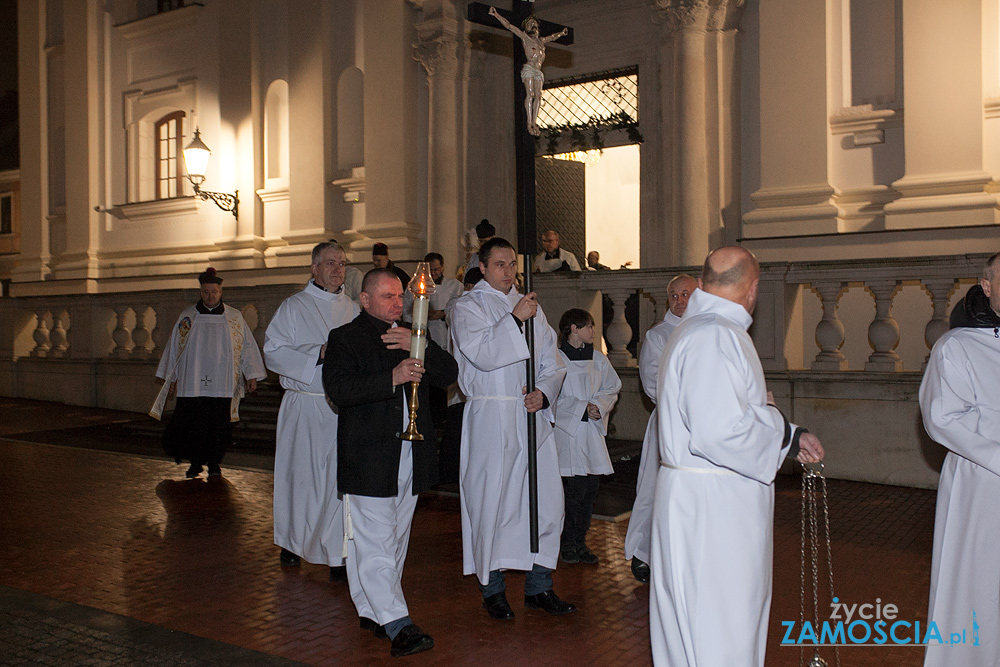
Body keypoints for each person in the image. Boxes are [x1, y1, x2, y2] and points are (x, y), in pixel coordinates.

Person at [649, 246, 824, 667]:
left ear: (704, 281)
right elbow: (718, 433)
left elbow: (728, 414)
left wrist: (782, 432)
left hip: (703, 497)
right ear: (753, 289)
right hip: (714, 507)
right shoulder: (715, 335)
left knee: (702, 624)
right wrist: (778, 428)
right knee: (719, 625)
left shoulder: (701, 328)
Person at [323, 268, 458, 658]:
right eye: (387, 296)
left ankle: (372, 609)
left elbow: (450, 374)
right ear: (365, 300)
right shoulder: (345, 338)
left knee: (394, 538)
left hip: (409, 454)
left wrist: (422, 349)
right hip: (368, 455)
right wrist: (393, 376)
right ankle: (399, 624)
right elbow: (339, 390)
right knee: (377, 539)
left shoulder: (413, 336)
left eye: (401, 297)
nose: (397, 304)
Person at [450, 237, 574, 621]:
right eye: (500, 265)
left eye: (512, 265)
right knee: (493, 502)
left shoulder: (532, 308)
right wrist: (515, 318)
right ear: (483, 268)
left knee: (545, 504)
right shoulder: (467, 306)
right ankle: (493, 590)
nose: (509, 272)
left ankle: (539, 587)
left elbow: (554, 361)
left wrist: (544, 391)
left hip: (530, 417)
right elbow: (484, 355)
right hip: (492, 417)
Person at [920, 251, 1000, 667]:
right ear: (986, 287)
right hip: (983, 485)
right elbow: (941, 418)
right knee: (978, 586)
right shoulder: (956, 346)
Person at [263, 241, 359, 576]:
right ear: (314, 268)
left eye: (342, 263)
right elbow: (273, 351)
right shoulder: (294, 307)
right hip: (305, 407)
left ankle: (337, 553)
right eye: (330, 262)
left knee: (338, 482)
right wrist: (317, 352)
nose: (337, 269)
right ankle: (292, 542)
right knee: (300, 480)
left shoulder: (354, 310)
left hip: (340, 410)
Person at [151, 267, 266, 479]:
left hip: (222, 383)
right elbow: (175, 348)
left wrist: (251, 374)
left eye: (214, 291)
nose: (210, 296)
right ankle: (195, 463)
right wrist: (172, 379)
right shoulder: (187, 316)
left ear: (220, 292)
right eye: (206, 292)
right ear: (200, 292)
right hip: (192, 381)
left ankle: (214, 464)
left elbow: (247, 347)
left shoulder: (234, 317)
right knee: (193, 425)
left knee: (219, 426)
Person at [624, 273, 697, 583]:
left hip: (704, 428)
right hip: (670, 421)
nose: (680, 301)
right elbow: (654, 383)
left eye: (686, 295)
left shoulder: (710, 329)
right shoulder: (658, 336)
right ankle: (644, 553)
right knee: (656, 489)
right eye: (674, 296)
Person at [553, 308, 621, 565]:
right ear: (573, 328)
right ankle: (566, 542)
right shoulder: (557, 359)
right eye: (589, 326)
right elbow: (551, 394)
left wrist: (598, 406)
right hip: (568, 434)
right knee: (572, 493)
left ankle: (580, 541)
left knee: (590, 491)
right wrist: (581, 408)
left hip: (591, 433)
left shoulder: (598, 359)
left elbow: (612, 387)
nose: (593, 331)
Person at [487, 7, 567, 136]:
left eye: (534, 24)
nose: (533, 25)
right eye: (530, 24)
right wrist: (496, 15)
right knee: (530, 94)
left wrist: (562, 33)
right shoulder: (525, 38)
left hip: (538, 70)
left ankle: (534, 122)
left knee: (538, 96)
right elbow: (509, 26)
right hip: (529, 67)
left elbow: (552, 37)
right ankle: (529, 123)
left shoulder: (541, 41)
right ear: (526, 28)